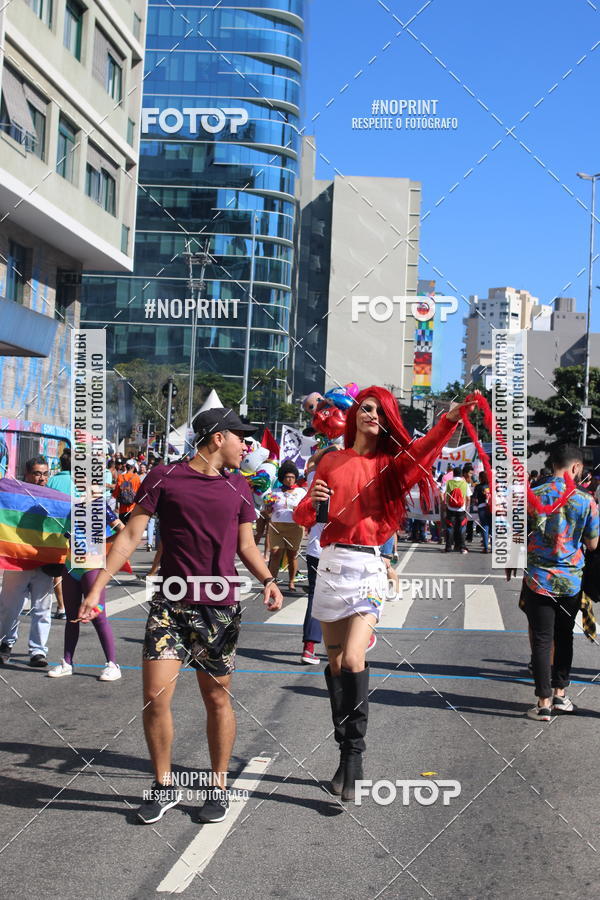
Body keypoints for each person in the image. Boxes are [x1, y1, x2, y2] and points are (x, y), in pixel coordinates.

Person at [76, 408, 283, 825]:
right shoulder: (164, 478)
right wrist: (96, 588)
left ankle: (218, 786)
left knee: (216, 698)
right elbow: (131, 536)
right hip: (170, 605)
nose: (248, 445)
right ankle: (163, 784)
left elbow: (246, 545)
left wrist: (268, 579)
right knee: (155, 698)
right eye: (241, 437)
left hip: (219, 608)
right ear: (216, 437)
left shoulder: (239, 485)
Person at [294, 387, 476, 802]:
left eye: (379, 410)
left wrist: (449, 419)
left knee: (354, 658)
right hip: (331, 564)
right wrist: (313, 502)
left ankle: (354, 758)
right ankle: (344, 752)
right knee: (336, 664)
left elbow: (425, 450)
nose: (371, 414)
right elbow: (306, 516)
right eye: (366, 408)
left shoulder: (392, 465)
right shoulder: (329, 460)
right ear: (355, 415)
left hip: (368, 568)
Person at [508, 444, 599, 721]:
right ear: (575, 467)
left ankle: (543, 702)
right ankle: (561, 695)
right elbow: (593, 543)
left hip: (538, 580)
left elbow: (516, 536)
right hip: (571, 581)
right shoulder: (586, 501)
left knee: (542, 640)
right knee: (564, 637)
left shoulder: (531, 495)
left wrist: (512, 562)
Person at [48, 505, 125, 681]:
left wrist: (104, 542)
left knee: (98, 616)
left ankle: (112, 664)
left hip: (93, 566)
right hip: (71, 565)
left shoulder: (100, 506)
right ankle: (67, 663)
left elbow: (122, 530)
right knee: (71, 616)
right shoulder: (71, 505)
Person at [0, 457, 55, 667]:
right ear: (27, 474)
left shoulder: (54, 498)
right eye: (37, 473)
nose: (41, 478)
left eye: (45, 473)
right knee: (9, 607)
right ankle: (6, 643)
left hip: (44, 562)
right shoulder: (14, 494)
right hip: (18, 561)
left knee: (42, 609)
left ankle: (38, 651)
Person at [267, 466, 306, 592]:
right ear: (282, 478)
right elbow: (268, 510)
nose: (290, 480)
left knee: (292, 555)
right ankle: (272, 583)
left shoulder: (301, 492)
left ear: (296, 479)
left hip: (295, 527)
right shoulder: (274, 492)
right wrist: (268, 507)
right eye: (287, 477)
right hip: (277, 527)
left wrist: (299, 510)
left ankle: (291, 582)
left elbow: (307, 509)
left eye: (292, 477)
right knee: (275, 553)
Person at [444, 466, 469, 553]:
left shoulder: (448, 482)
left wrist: (445, 504)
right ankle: (462, 547)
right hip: (461, 509)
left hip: (450, 508)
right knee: (462, 528)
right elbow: (468, 497)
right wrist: (467, 508)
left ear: (453, 473)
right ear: (461, 474)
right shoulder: (464, 483)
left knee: (450, 528)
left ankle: (448, 547)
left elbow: (443, 493)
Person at [113, 459, 141, 524]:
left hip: (122, 508)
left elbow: (116, 493)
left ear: (126, 467)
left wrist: (116, 506)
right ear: (133, 468)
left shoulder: (120, 477)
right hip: (133, 508)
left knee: (122, 529)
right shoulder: (137, 478)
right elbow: (139, 493)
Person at [473, 471, 491, 553]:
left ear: (480, 478)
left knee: (485, 527)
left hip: (481, 508)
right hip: (491, 508)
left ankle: (486, 547)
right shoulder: (491, 486)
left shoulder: (478, 487)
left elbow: (474, 499)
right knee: (492, 527)